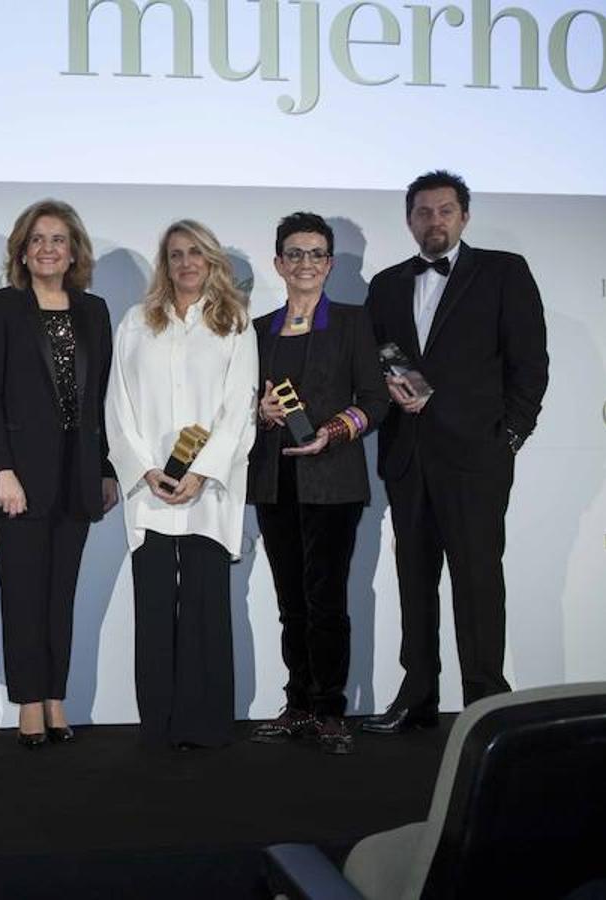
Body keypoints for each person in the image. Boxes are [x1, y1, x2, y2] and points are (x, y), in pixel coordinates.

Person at [362, 171, 548, 733]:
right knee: (414, 581)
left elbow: (530, 363)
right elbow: (379, 357)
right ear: (409, 219)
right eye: (423, 212)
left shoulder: (503, 272)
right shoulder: (388, 283)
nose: (434, 221)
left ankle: (486, 704)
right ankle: (416, 696)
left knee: (477, 580)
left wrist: (510, 435)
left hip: (476, 457)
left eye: (445, 210)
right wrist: (387, 385)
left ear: (464, 216)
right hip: (408, 456)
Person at [0, 199, 118, 748]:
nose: (48, 248)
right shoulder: (0, 307)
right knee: (23, 592)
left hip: (78, 476)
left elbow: (99, 399)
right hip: (20, 480)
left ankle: (56, 698)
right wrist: (1, 472)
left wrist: (103, 469)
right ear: (22, 251)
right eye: (37, 240)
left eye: (58, 239)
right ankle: (28, 704)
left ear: (73, 250)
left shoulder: (95, 310)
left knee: (61, 595)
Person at [105, 219, 257, 749]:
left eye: (195, 253)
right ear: (164, 264)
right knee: (152, 607)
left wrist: (200, 472)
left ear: (211, 260)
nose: (186, 263)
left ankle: (206, 724)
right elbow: (117, 404)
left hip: (209, 492)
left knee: (205, 606)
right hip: (149, 491)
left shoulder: (235, 323)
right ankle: (159, 725)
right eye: (175, 254)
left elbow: (240, 410)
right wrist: (146, 467)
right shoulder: (135, 322)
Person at [245, 213, 389, 755]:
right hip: (275, 479)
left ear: (329, 264)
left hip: (333, 480)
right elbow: (241, 405)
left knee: (326, 599)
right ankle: (298, 703)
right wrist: (258, 411)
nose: (306, 263)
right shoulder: (257, 330)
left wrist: (331, 432)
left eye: (316, 253)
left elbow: (376, 402)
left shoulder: (353, 323)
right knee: (290, 602)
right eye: (295, 253)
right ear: (279, 263)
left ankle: (329, 708)